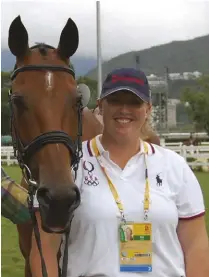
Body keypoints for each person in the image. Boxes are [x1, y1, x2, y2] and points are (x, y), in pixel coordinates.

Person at [30, 68, 209, 277]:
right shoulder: (69, 166)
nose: (124, 109)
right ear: (100, 106)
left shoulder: (175, 167)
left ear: (148, 109)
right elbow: (44, 250)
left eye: (134, 102)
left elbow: (196, 247)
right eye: (115, 100)